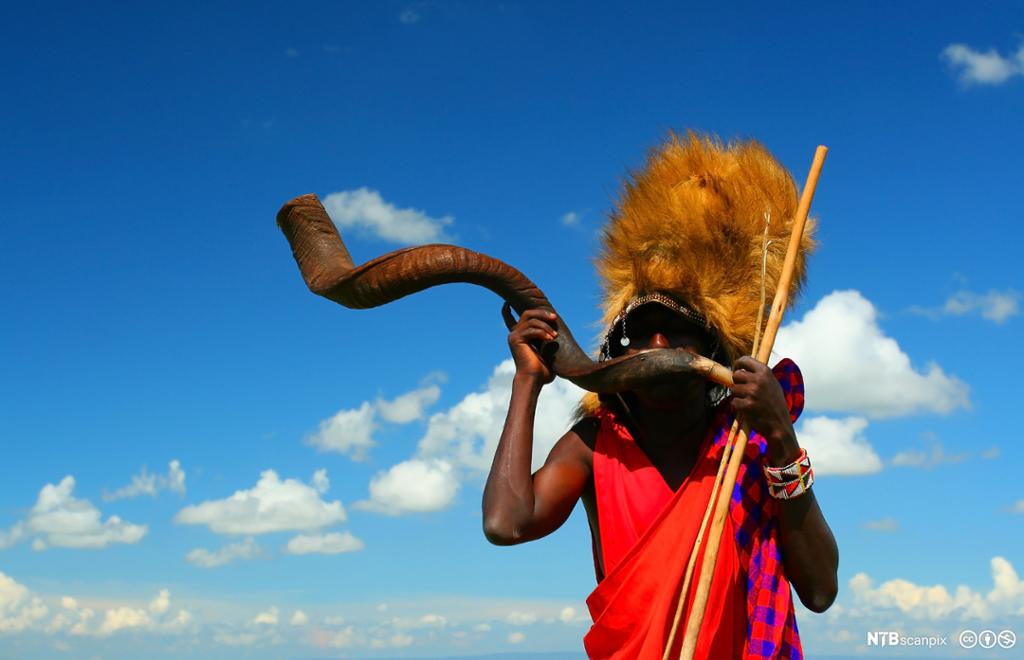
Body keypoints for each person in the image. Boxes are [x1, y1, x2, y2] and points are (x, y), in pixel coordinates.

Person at [481, 133, 839, 659]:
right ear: (616, 358)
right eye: (640, 332)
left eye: (676, 330)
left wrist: (782, 439)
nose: (657, 345)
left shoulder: (746, 446)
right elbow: (506, 523)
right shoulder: (595, 444)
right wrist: (527, 381)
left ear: (713, 350)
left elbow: (820, 591)